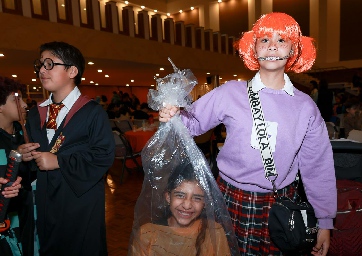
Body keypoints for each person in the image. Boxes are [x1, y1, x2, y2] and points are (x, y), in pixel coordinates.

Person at [159, 12, 337, 255]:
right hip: (230, 200)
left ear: (294, 50)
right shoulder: (229, 93)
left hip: (280, 206)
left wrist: (325, 220)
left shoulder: (305, 106)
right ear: (253, 48)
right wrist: (172, 117)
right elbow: (192, 124)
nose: (272, 45)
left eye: (281, 40)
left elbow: (318, 167)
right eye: (264, 40)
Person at [25, 41, 115, 255]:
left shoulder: (92, 112)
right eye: (40, 65)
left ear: (72, 70)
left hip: (79, 199)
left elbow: (103, 155)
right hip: (46, 197)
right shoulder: (35, 113)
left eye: (50, 64)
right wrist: (25, 155)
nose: (42, 70)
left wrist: (58, 161)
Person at [130, 163, 230, 255]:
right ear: (168, 197)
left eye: (197, 198)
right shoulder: (148, 234)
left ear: (205, 203)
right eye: (180, 195)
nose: (187, 205)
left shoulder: (214, 233)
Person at [0, 76, 34, 256]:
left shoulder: (24, 133)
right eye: (16, 100)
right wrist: (17, 156)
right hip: (5, 218)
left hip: (26, 212)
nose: (24, 105)